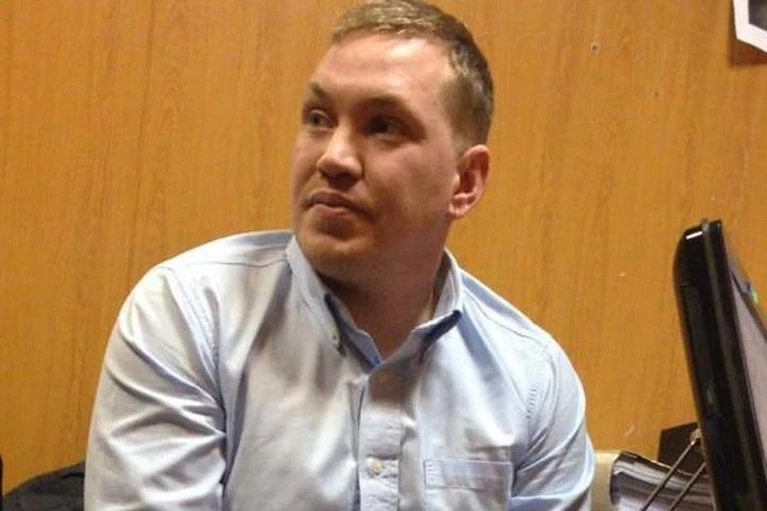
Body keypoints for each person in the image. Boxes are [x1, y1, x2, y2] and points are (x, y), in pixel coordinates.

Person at [84, 0, 595, 509]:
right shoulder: (193, 315)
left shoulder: (535, 382)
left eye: (384, 126)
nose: (333, 157)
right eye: (319, 118)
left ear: (464, 182)